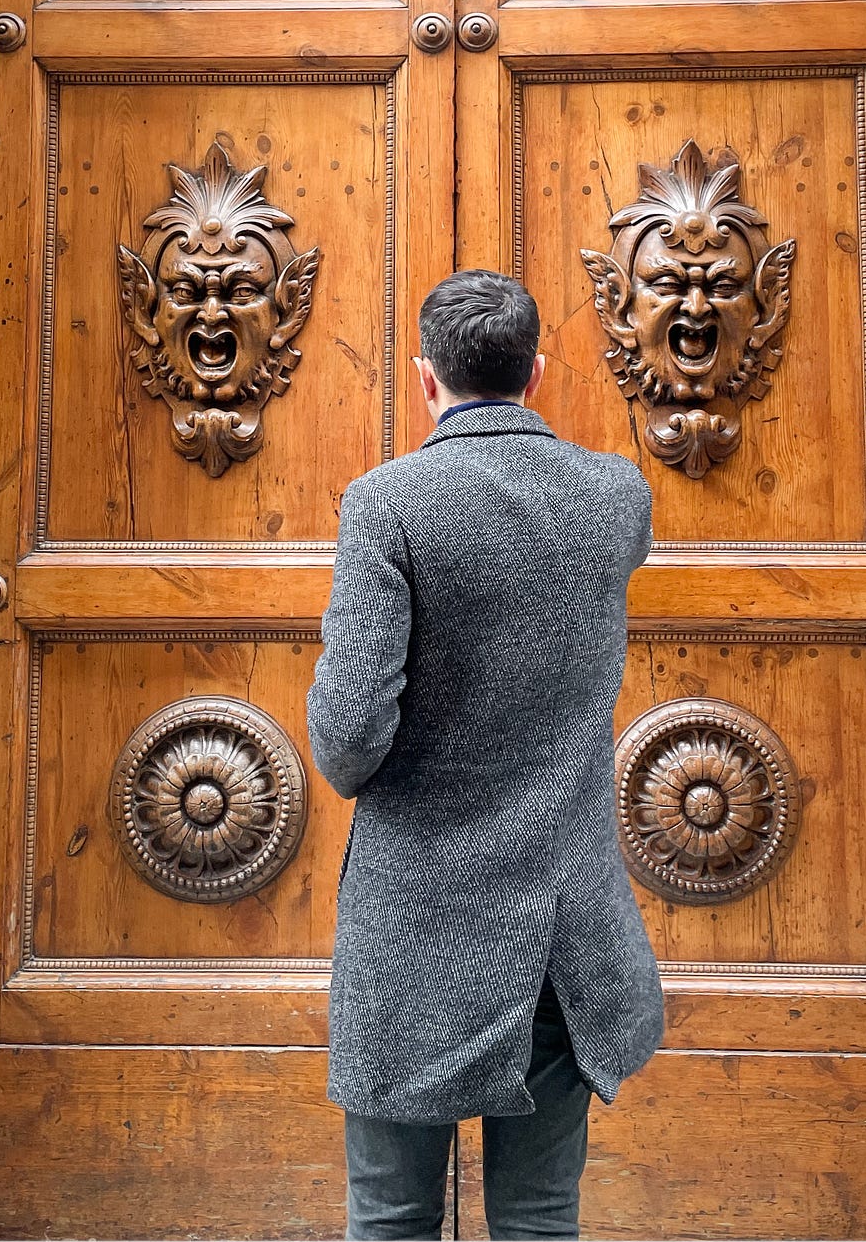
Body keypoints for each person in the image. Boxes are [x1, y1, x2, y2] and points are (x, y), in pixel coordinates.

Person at [306, 268, 664, 1241]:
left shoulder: (387, 505)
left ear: (427, 379)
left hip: (413, 928)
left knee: (391, 1218)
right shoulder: (614, 496)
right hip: (564, 932)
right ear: (536, 372)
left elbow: (346, 744)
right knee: (542, 1218)